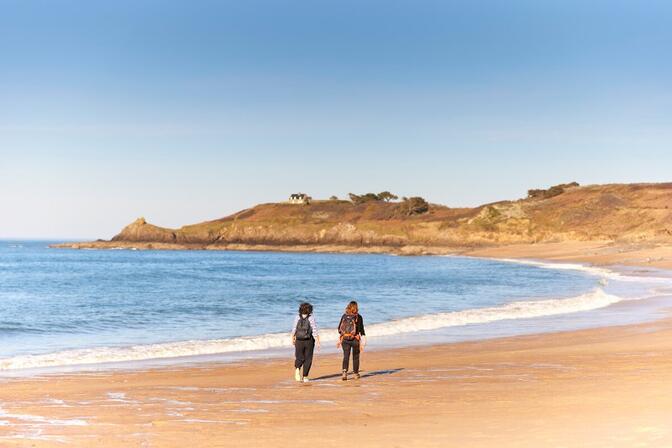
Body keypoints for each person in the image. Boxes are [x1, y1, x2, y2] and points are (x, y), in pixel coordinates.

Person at [336, 300, 366, 381]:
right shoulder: (359, 317)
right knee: (356, 357)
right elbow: (361, 330)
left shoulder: (344, 316)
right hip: (355, 339)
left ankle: (344, 372)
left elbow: (339, 329)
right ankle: (356, 374)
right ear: (356, 307)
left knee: (346, 356)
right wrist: (363, 342)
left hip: (345, 339)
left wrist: (340, 339)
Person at [291, 302, 320, 383]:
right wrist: (317, 340)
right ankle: (305, 376)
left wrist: (293, 338)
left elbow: (294, 328)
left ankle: (297, 368)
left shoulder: (297, 317)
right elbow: (314, 329)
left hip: (299, 340)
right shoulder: (311, 318)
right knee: (308, 358)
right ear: (310, 310)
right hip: (309, 341)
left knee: (299, 356)